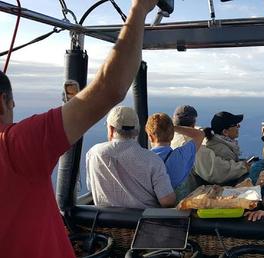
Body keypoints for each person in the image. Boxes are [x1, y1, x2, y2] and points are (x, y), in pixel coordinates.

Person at [0, 1, 159, 256]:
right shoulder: (14, 147)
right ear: (2, 102)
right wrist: (139, 9)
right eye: (12, 101)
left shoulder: (94, 153)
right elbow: (110, 89)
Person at [87, 107, 175, 209]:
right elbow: (167, 201)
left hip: (102, 223)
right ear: (137, 131)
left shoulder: (94, 153)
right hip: (143, 223)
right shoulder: (153, 160)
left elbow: (91, 187)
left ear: (111, 129)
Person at [145, 112, 204, 200]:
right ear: (172, 135)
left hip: (151, 210)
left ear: (150, 137)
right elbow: (200, 135)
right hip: (180, 210)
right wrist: (173, 128)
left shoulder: (144, 159)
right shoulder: (182, 155)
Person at [196, 111, 249, 185]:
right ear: (225, 132)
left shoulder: (214, 142)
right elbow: (227, 176)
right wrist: (245, 166)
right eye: (236, 125)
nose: (238, 126)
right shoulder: (223, 150)